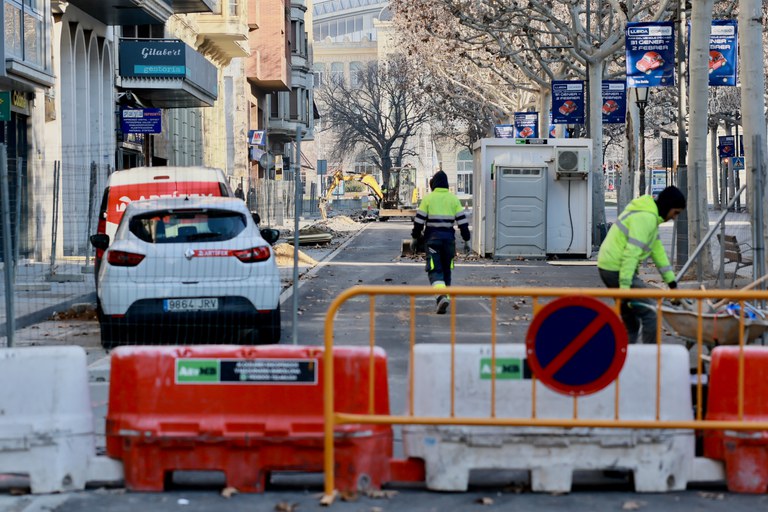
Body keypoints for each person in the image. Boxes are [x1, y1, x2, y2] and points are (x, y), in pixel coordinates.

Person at [597, 185, 686, 344]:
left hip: (610, 266)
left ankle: (625, 359)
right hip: (617, 270)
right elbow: (631, 253)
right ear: (668, 206)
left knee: (631, 323)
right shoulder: (646, 218)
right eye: (675, 213)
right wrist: (624, 289)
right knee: (651, 313)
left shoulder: (650, 217)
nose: (674, 217)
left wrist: (672, 284)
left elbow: (659, 254)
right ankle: (648, 360)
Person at [411, 170, 471, 314]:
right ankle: (445, 298)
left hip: (433, 243)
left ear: (433, 185)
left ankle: (441, 297)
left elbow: (419, 222)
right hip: (449, 242)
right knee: (446, 271)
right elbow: (462, 223)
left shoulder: (428, 199)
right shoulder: (454, 199)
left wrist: (414, 238)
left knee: (435, 270)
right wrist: (467, 241)